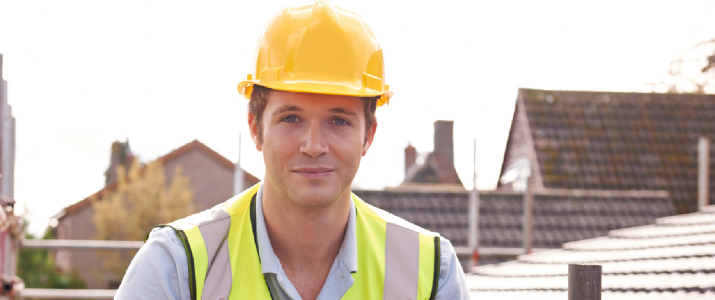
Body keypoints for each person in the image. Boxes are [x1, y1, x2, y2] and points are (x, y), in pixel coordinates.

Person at [115, 1, 470, 299]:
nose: (313, 146)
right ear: (256, 128)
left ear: (368, 135)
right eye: (291, 118)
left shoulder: (432, 274)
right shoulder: (176, 268)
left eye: (339, 121)